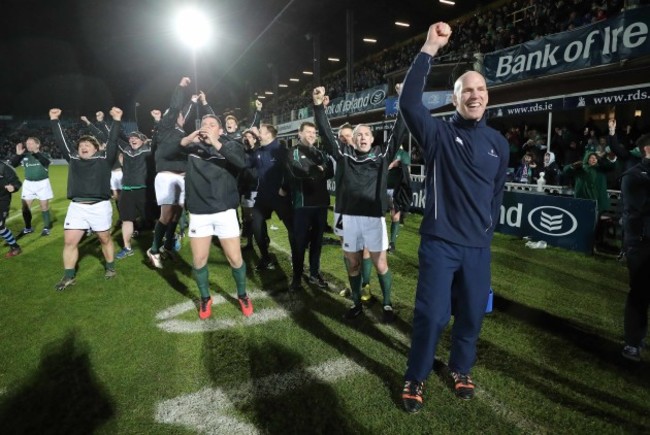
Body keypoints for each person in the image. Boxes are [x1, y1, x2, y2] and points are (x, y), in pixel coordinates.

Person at [398, 22, 509, 412]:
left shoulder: (499, 143)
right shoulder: (439, 135)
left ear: (487, 96)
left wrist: (485, 232)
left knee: (473, 314)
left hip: (478, 248)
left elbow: (496, 195)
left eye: (480, 89)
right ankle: (416, 375)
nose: (475, 95)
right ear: (456, 98)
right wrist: (429, 48)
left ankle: (461, 367)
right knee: (431, 314)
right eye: (467, 91)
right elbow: (410, 104)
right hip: (440, 243)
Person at [313, 86, 406, 323]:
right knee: (352, 263)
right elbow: (325, 132)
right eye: (358, 135)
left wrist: (403, 100)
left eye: (366, 134)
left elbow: (399, 131)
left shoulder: (381, 156)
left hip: (374, 218)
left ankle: (386, 304)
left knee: (380, 263)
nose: (363, 137)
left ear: (372, 139)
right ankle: (356, 303)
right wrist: (317, 107)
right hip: (348, 218)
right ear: (352, 140)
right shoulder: (343, 155)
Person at [180, 114, 253, 319]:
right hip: (199, 213)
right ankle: (205, 298)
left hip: (224, 212)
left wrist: (215, 142)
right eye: (204, 124)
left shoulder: (230, 146)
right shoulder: (192, 148)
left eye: (212, 125)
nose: (207, 127)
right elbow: (169, 149)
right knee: (199, 259)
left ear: (220, 131)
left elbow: (241, 162)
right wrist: (188, 139)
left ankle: (242, 295)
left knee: (235, 258)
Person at [49, 106, 122, 290]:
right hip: (77, 207)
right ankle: (68, 276)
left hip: (100, 206)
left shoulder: (104, 159)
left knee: (104, 239)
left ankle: (111, 267)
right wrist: (54, 120)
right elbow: (62, 141)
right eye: (81, 145)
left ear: (97, 149)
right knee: (69, 241)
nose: (83, 147)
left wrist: (116, 120)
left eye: (88, 145)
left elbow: (112, 141)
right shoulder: (73, 158)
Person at [147, 77, 194, 268]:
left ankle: (167, 246)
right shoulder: (165, 127)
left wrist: (192, 102)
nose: (183, 116)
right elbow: (175, 107)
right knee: (166, 215)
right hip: (167, 176)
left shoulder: (179, 131)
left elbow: (184, 113)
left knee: (176, 214)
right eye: (180, 115)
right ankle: (154, 249)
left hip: (180, 177)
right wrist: (181, 87)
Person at [285, 121, 334, 291]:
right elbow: (300, 170)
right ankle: (297, 277)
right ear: (299, 133)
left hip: (320, 205)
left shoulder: (320, 153)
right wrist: (319, 170)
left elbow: (331, 171)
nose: (312, 135)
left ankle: (314, 273)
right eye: (308, 132)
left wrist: (317, 170)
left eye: (314, 132)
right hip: (303, 205)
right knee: (299, 244)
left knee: (317, 243)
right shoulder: (293, 152)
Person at [620, 133, 650, 362]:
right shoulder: (634, 176)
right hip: (640, 244)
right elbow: (639, 209)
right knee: (639, 293)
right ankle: (633, 342)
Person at [248, 123, 295, 271]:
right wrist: (249, 146)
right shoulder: (259, 151)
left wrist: (284, 188)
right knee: (256, 225)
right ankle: (265, 257)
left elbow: (291, 171)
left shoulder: (281, 150)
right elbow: (247, 164)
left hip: (280, 197)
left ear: (269, 134)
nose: (257, 134)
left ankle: (297, 257)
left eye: (260, 131)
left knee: (292, 228)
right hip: (262, 196)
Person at [10, 138, 54, 236]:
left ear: (38, 145)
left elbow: (45, 162)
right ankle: (28, 227)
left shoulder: (45, 155)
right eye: (27, 144)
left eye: (31, 143)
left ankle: (46, 227)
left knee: (44, 206)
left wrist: (36, 152)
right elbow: (13, 164)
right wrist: (18, 154)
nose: (28, 145)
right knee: (25, 208)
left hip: (43, 183)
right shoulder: (24, 156)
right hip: (28, 184)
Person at [386, 143, 411, 253]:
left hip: (395, 189)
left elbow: (407, 169)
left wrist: (396, 163)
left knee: (395, 216)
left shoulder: (403, 154)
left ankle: (392, 243)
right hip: (383, 186)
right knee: (378, 216)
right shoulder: (387, 151)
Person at [0, 160, 22, 258]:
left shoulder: (3, 167)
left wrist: (13, 187)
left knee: (0, 226)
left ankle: (15, 247)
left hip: (2, 199)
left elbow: (17, 182)